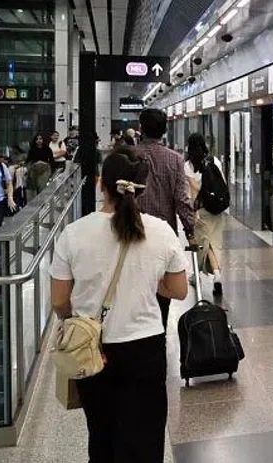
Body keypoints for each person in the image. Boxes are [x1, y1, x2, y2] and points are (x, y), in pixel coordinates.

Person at [50, 147, 188, 463]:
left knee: (101, 432)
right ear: (142, 188)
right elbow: (179, 290)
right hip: (145, 348)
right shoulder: (160, 231)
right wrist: (148, 282)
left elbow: (59, 300)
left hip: (93, 348)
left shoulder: (74, 234)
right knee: (145, 435)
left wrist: (74, 319)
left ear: (101, 184)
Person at [135, 108, 197, 326]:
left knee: (135, 288)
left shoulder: (128, 156)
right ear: (164, 130)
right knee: (163, 291)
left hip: (131, 231)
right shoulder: (174, 159)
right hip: (164, 236)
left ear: (141, 128)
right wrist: (191, 230)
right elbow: (182, 199)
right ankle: (158, 335)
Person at [184, 133, 226, 295]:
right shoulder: (215, 161)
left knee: (205, 243)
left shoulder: (189, 165)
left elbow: (194, 189)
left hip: (202, 209)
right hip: (217, 208)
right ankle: (216, 274)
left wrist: (195, 212)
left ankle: (203, 274)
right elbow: (222, 182)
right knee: (214, 242)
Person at [25, 134, 53, 202]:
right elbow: (28, 160)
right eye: (37, 139)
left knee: (42, 186)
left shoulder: (47, 148)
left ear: (43, 140)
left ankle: (42, 203)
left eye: (40, 139)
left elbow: (51, 160)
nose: (39, 141)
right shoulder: (32, 149)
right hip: (34, 169)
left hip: (44, 169)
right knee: (33, 187)